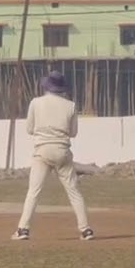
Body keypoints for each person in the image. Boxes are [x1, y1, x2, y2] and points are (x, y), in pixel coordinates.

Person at [13, 71, 94, 241]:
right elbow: (73, 133)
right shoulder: (70, 105)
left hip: (42, 150)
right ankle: (86, 229)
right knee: (74, 191)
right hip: (62, 150)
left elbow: (29, 129)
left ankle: (23, 230)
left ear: (46, 87)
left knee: (34, 191)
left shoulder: (36, 103)